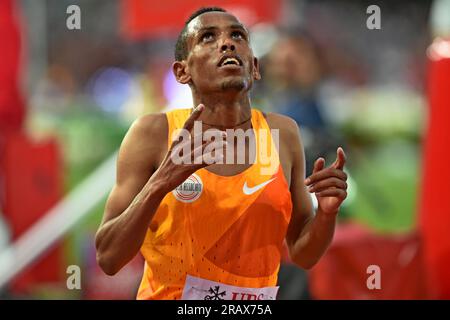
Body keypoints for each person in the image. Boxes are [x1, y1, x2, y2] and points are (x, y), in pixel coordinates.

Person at [95, 7, 348, 300]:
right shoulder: (153, 134)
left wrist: (326, 215)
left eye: (237, 35)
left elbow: (304, 255)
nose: (227, 43)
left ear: (254, 67)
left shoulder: (283, 134)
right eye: (207, 37)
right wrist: (160, 182)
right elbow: (108, 258)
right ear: (182, 71)